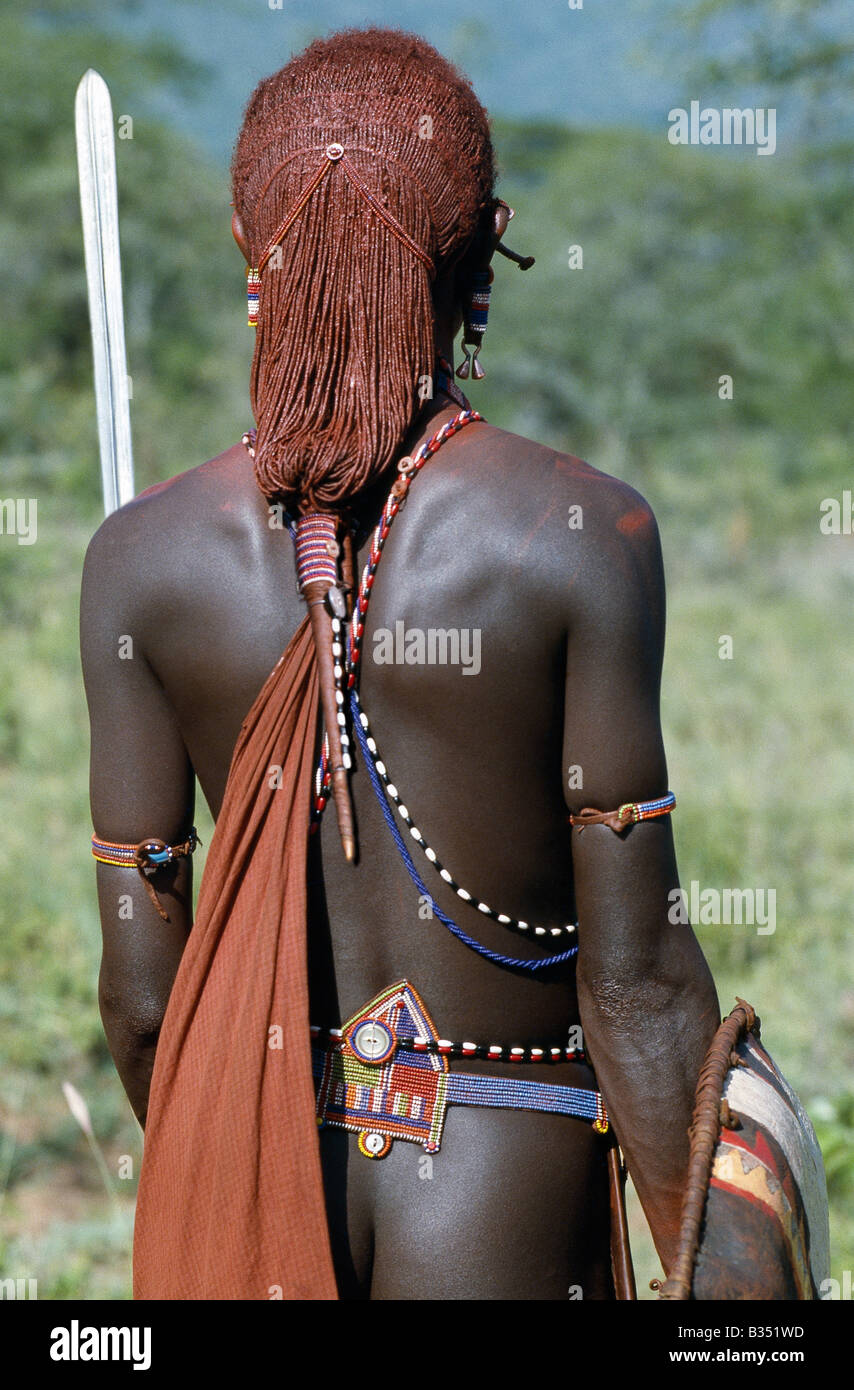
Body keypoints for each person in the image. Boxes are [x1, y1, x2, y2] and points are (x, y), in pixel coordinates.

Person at [81, 27, 720, 1300]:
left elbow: (148, 1005)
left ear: (249, 257)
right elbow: (638, 982)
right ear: (482, 252)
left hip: (258, 1192)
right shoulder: (583, 536)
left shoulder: (140, 560)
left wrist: (236, 1179)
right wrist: (725, 1279)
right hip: (508, 1197)